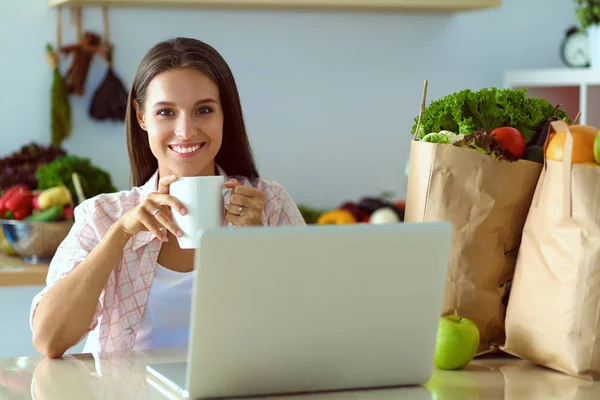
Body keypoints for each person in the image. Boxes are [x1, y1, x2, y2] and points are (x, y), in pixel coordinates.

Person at [30, 37, 306, 358]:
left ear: (224, 115)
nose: (186, 130)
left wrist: (258, 247)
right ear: (141, 117)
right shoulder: (103, 215)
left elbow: (312, 327)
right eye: (166, 112)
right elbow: (49, 340)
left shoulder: (268, 203)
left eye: (204, 110)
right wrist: (120, 234)